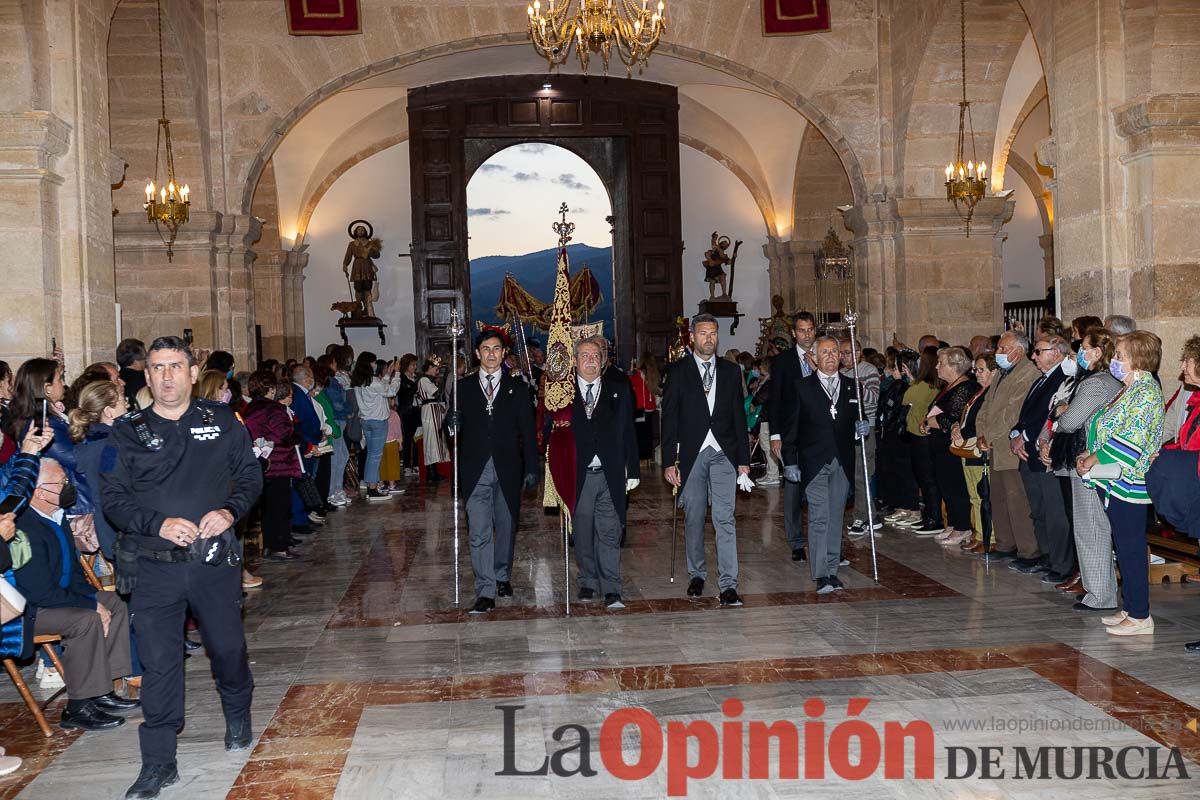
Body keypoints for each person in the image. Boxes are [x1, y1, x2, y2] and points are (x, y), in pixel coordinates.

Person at [100, 336, 263, 799]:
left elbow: (250, 476)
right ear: (146, 375)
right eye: (157, 367)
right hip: (155, 567)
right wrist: (158, 523)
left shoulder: (224, 422)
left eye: (175, 366)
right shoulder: (125, 432)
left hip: (213, 564)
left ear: (194, 373)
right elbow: (112, 498)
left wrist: (230, 511)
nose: (166, 376)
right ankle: (158, 762)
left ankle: (237, 711)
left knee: (228, 649)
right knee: (159, 662)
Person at [15, 458, 138, 731]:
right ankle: (78, 706)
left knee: (115, 602)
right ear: (39, 491)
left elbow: (75, 576)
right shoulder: (25, 527)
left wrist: (94, 599)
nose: (67, 487)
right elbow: (39, 592)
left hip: (57, 597)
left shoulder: (56, 518)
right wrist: (90, 606)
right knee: (84, 620)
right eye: (61, 482)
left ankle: (103, 689)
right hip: (30, 610)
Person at [1076, 331, 1164, 637]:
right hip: (1113, 477)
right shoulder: (1129, 389)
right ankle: (1129, 609)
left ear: (1138, 360)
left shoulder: (1147, 392)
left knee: (1131, 547)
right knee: (1123, 547)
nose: (1114, 361)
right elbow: (1106, 425)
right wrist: (1089, 452)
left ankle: (1141, 616)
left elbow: (1131, 440)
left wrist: (1094, 459)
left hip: (1130, 480)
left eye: (1120, 357)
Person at [660, 313, 750, 607]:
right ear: (692, 337)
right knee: (695, 516)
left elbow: (739, 415)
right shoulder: (677, 371)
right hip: (691, 453)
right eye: (702, 333)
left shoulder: (730, 370)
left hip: (724, 451)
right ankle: (697, 574)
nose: (708, 339)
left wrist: (743, 460)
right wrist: (668, 462)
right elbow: (669, 418)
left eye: (712, 333)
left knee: (725, 518)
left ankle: (728, 585)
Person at [447, 329, 537, 614]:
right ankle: (485, 589)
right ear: (477, 353)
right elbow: (452, 431)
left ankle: (501, 574)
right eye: (485, 349)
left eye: (496, 349)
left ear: (503, 354)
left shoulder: (518, 388)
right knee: (479, 530)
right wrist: (452, 422)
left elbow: (528, 432)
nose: (491, 354)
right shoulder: (463, 387)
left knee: (506, 526)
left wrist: (532, 468)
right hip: (474, 470)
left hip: (508, 468)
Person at [1041, 328, 1123, 610]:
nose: (1079, 354)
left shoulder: (1097, 383)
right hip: (1086, 460)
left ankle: (1100, 595)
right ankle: (1096, 590)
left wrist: (1063, 411)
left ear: (1098, 353)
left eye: (1084, 348)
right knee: (1089, 527)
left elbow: (1070, 421)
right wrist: (1062, 409)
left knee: (1091, 528)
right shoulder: (1093, 381)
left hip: (1088, 463)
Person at [558, 337, 639, 609]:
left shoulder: (618, 388)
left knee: (609, 530)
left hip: (610, 472)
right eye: (584, 355)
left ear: (602, 360)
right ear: (575, 361)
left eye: (595, 355)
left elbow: (629, 431)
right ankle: (588, 581)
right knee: (582, 531)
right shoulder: (564, 393)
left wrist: (634, 470)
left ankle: (612, 588)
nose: (591, 360)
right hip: (578, 474)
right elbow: (549, 434)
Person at [781, 336, 862, 593]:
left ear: (841, 356)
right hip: (813, 460)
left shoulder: (852, 386)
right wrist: (790, 461)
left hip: (842, 460)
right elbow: (790, 428)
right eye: (824, 352)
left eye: (834, 351)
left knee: (836, 517)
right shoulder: (802, 387)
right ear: (814, 357)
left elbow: (860, 419)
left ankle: (832, 569)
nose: (830, 356)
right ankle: (821, 575)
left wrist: (864, 427)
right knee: (819, 517)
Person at [975, 330, 1041, 562]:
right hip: (994, 446)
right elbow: (986, 405)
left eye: (1003, 349)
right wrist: (981, 434)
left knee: (1017, 501)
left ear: (1019, 351)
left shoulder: (1027, 373)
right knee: (998, 498)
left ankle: (1027, 550)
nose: (998, 353)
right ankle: (1005, 544)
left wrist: (990, 435)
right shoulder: (1003, 372)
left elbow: (1013, 412)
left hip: (1010, 447)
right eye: (999, 348)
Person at [1009, 336, 1071, 581]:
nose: (1033, 356)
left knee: (1054, 513)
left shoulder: (1062, 380)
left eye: (1038, 351)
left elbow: (1050, 415)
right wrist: (1015, 433)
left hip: (1045, 453)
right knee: (1039, 511)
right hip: (1028, 453)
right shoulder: (1041, 380)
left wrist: (1024, 435)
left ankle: (1061, 565)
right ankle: (1046, 557)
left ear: (1055, 353)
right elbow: (1025, 414)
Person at [769, 311, 817, 561]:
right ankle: (797, 542)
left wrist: (818, 369)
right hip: (792, 433)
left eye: (810, 330)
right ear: (794, 333)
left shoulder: (825, 356)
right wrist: (775, 434)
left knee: (823, 489)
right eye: (802, 330)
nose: (806, 335)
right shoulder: (783, 362)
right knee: (794, 489)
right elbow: (775, 400)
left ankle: (825, 541)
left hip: (820, 434)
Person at [925, 347, 979, 546]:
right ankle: (953, 523)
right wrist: (927, 423)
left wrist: (934, 420)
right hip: (939, 445)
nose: (937, 366)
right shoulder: (947, 387)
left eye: (941, 363)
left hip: (952, 446)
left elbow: (955, 418)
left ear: (955, 366)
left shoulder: (965, 387)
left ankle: (962, 527)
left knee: (956, 486)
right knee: (945, 485)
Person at [951, 353, 999, 553]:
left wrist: (962, 431)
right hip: (968, 447)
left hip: (979, 448)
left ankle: (990, 537)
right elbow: (968, 416)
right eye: (976, 370)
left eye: (981, 370)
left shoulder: (992, 394)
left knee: (983, 494)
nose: (976, 374)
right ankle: (979, 533)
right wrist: (957, 425)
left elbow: (981, 422)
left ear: (994, 372)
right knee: (974, 496)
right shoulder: (979, 392)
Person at [840, 337, 881, 537]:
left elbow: (872, 400)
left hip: (865, 429)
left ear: (858, 352)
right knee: (854, 475)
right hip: (846, 431)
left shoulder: (868, 370)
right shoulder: (840, 373)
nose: (844, 357)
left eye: (848, 352)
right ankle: (872, 517)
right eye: (842, 353)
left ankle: (861, 517)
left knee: (862, 474)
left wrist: (853, 384)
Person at [901, 347, 943, 534]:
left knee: (927, 480)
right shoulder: (933, 386)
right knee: (926, 480)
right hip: (923, 436)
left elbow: (905, 399)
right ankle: (930, 515)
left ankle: (934, 518)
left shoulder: (923, 386)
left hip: (921, 437)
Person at [350, 352, 402, 500]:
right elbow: (391, 391)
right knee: (375, 456)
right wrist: (397, 373)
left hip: (366, 421)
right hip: (378, 422)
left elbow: (381, 388)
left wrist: (387, 374)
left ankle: (372, 486)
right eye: (373, 362)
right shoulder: (372, 381)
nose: (375, 365)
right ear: (368, 364)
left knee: (371, 455)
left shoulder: (359, 381)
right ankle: (372, 489)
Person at [879, 350, 921, 527]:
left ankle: (911, 507)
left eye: (895, 367)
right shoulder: (899, 385)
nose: (892, 371)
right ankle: (902, 506)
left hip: (905, 434)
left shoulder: (910, 387)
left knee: (907, 471)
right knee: (897, 470)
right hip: (894, 432)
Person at [417, 358, 449, 483]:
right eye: (436, 368)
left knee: (435, 440)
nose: (437, 371)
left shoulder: (427, 380)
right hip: (429, 411)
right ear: (429, 367)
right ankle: (431, 473)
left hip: (432, 409)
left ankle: (434, 472)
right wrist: (444, 378)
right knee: (431, 440)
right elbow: (436, 393)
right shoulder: (424, 380)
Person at [629, 351, 660, 465]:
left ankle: (640, 459)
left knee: (639, 435)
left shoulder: (637, 373)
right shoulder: (653, 373)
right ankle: (647, 458)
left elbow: (631, 385)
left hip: (639, 407)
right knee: (648, 434)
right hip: (650, 407)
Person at [116, 338, 148, 407]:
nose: (146, 360)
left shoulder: (116, 380)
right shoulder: (145, 379)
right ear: (136, 360)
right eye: (145, 357)